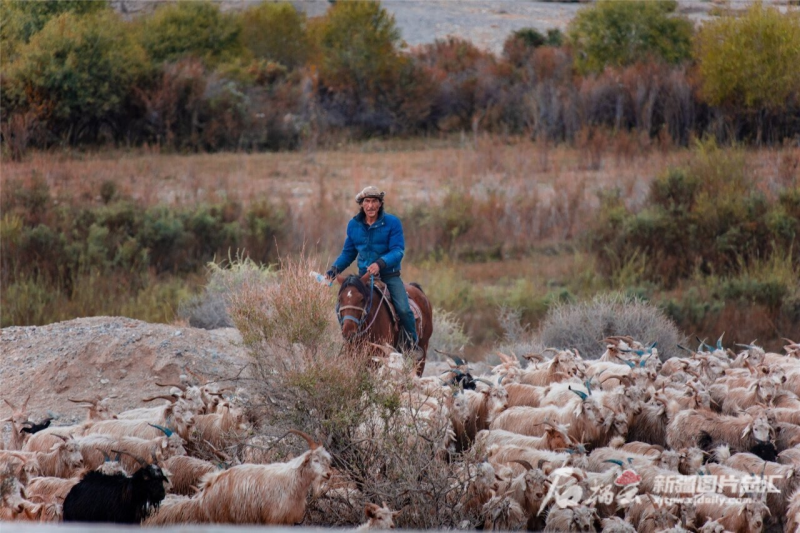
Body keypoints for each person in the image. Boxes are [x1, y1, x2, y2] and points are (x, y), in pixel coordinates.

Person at [327, 186, 420, 354]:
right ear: (361, 205)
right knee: (345, 306)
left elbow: (398, 250)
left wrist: (380, 263)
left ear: (380, 204)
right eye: (367, 202)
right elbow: (348, 253)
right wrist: (333, 270)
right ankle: (350, 342)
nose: (370, 206)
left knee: (405, 310)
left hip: (389, 276)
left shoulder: (392, 223)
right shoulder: (354, 225)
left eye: (374, 201)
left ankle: (412, 347)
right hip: (363, 278)